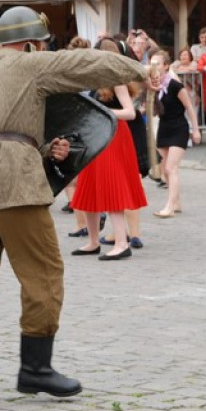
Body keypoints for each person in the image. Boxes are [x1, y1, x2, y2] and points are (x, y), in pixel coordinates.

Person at [0, 6, 148, 409]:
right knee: (43, 272)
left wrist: (42, 150)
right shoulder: (31, 64)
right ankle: (35, 368)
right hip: (13, 183)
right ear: (31, 43)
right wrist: (138, 68)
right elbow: (88, 62)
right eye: (40, 43)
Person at [70, 39, 148, 261]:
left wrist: (103, 112)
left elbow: (129, 113)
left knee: (112, 187)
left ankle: (122, 243)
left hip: (113, 136)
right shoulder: (98, 80)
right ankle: (93, 241)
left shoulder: (116, 80)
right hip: (98, 135)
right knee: (88, 186)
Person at [151, 50, 202, 218]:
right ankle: (177, 202)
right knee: (165, 170)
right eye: (151, 63)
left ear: (166, 66)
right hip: (164, 127)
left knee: (171, 168)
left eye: (157, 63)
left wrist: (195, 130)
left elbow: (189, 108)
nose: (154, 66)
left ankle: (170, 207)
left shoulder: (175, 85)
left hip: (179, 127)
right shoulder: (153, 85)